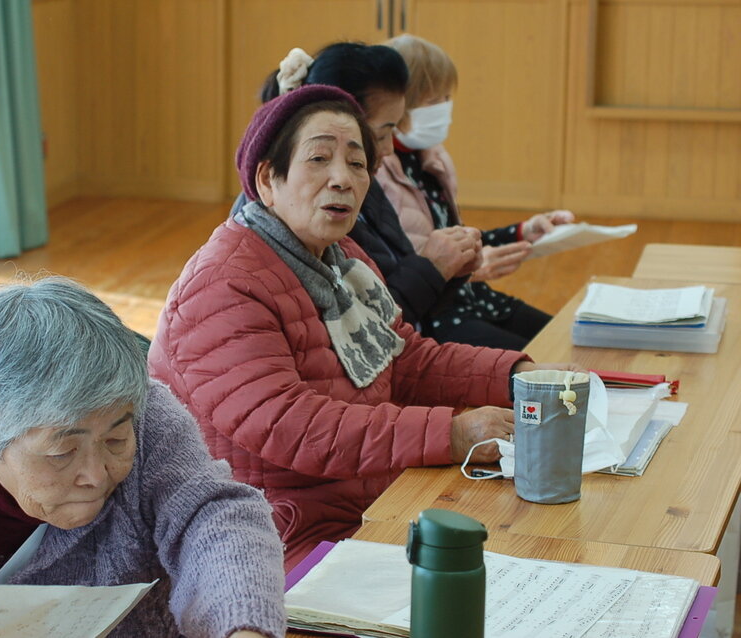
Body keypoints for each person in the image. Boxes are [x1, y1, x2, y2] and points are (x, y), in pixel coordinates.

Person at [148, 84, 571, 570]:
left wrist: (519, 378)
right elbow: (291, 426)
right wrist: (452, 434)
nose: (342, 179)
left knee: (540, 537)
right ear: (267, 180)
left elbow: (405, 360)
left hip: (362, 497)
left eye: (356, 163)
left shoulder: (342, 257)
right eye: (319, 159)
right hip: (266, 532)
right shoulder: (223, 284)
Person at [0, 277, 285, 638]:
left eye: (115, 442)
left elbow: (210, 514)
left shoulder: (140, 413)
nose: (96, 475)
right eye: (62, 452)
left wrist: (241, 622)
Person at [245, 43, 482, 331]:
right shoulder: (260, 250)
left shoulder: (364, 186)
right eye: (319, 158)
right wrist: (432, 268)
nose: (388, 150)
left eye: (356, 161)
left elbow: (388, 316)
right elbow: (359, 330)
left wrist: (450, 269)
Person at [379, 34, 576, 349]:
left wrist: (523, 231)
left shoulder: (430, 157)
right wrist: (465, 268)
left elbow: (455, 237)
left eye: (446, 98)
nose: (443, 109)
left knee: (570, 339)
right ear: (398, 104)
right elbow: (404, 271)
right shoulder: (376, 172)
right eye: (432, 102)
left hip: (473, 298)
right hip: (435, 317)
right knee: (546, 361)